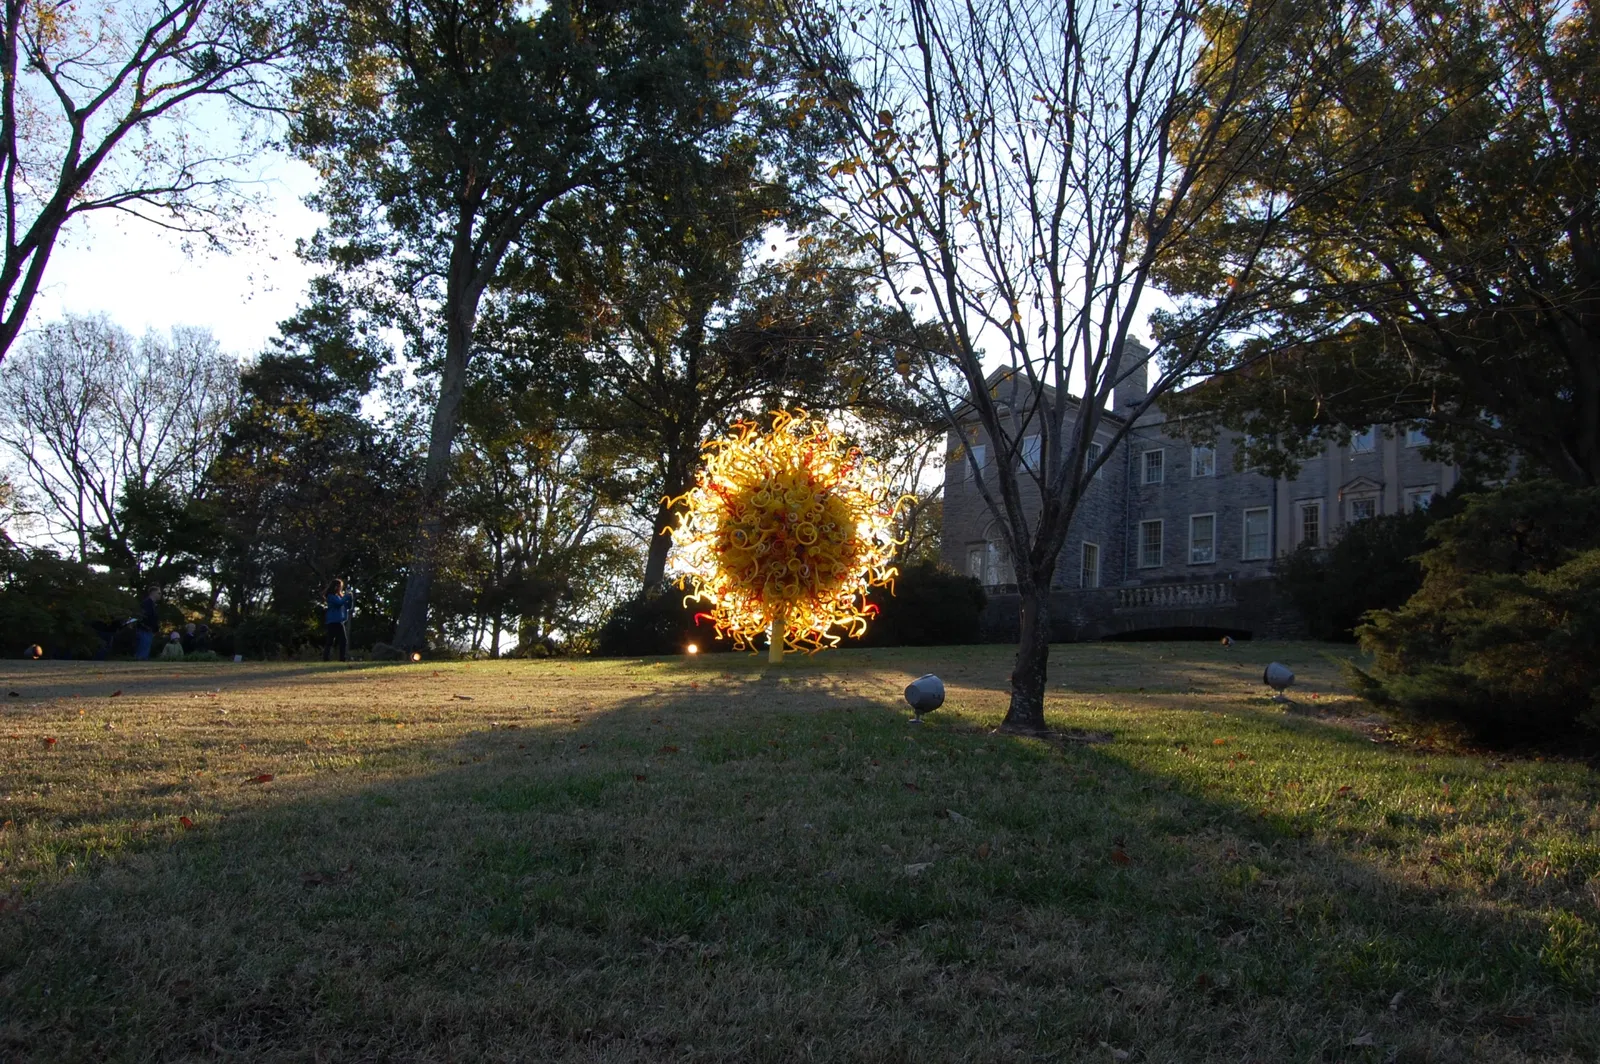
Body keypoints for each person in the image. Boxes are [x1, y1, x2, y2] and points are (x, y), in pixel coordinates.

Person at [323, 579, 351, 662]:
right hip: (333, 621)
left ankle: (342, 658)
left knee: (342, 641)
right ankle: (327, 658)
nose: (340, 588)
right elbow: (339, 603)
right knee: (330, 641)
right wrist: (346, 596)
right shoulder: (330, 596)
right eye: (339, 586)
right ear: (335, 587)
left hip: (339, 621)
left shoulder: (339, 597)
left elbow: (348, 606)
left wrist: (350, 598)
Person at [134, 586, 161, 661]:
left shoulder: (152, 604)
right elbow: (143, 617)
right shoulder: (146, 604)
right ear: (153, 593)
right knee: (142, 651)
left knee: (145, 651)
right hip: (144, 630)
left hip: (148, 630)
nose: (160, 595)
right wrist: (147, 626)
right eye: (158, 593)